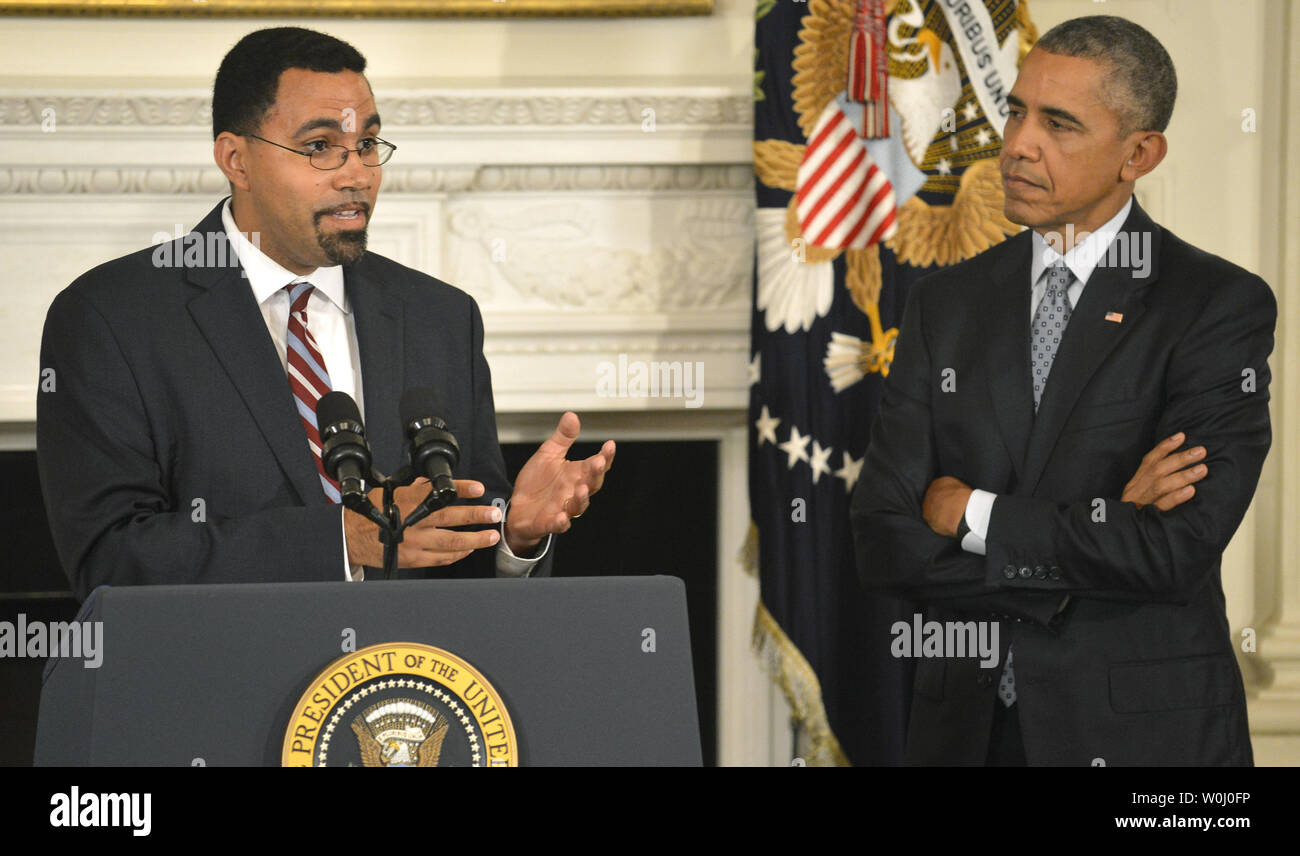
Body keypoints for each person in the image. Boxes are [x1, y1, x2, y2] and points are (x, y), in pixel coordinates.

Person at [37, 27, 614, 602]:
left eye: (367, 144)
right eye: (319, 147)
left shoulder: (440, 318)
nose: (357, 174)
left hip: (405, 685)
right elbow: (110, 560)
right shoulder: (111, 319)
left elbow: (458, 563)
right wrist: (344, 541)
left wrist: (514, 535)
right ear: (235, 158)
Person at [850, 16, 1273, 765]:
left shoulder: (1214, 306)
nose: (1017, 143)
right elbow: (885, 539)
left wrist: (970, 512)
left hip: (1144, 743)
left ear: (1139, 154)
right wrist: (1096, 540)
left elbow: (1174, 548)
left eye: (1059, 124)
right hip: (965, 737)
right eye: (1016, 111)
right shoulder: (944, 305)